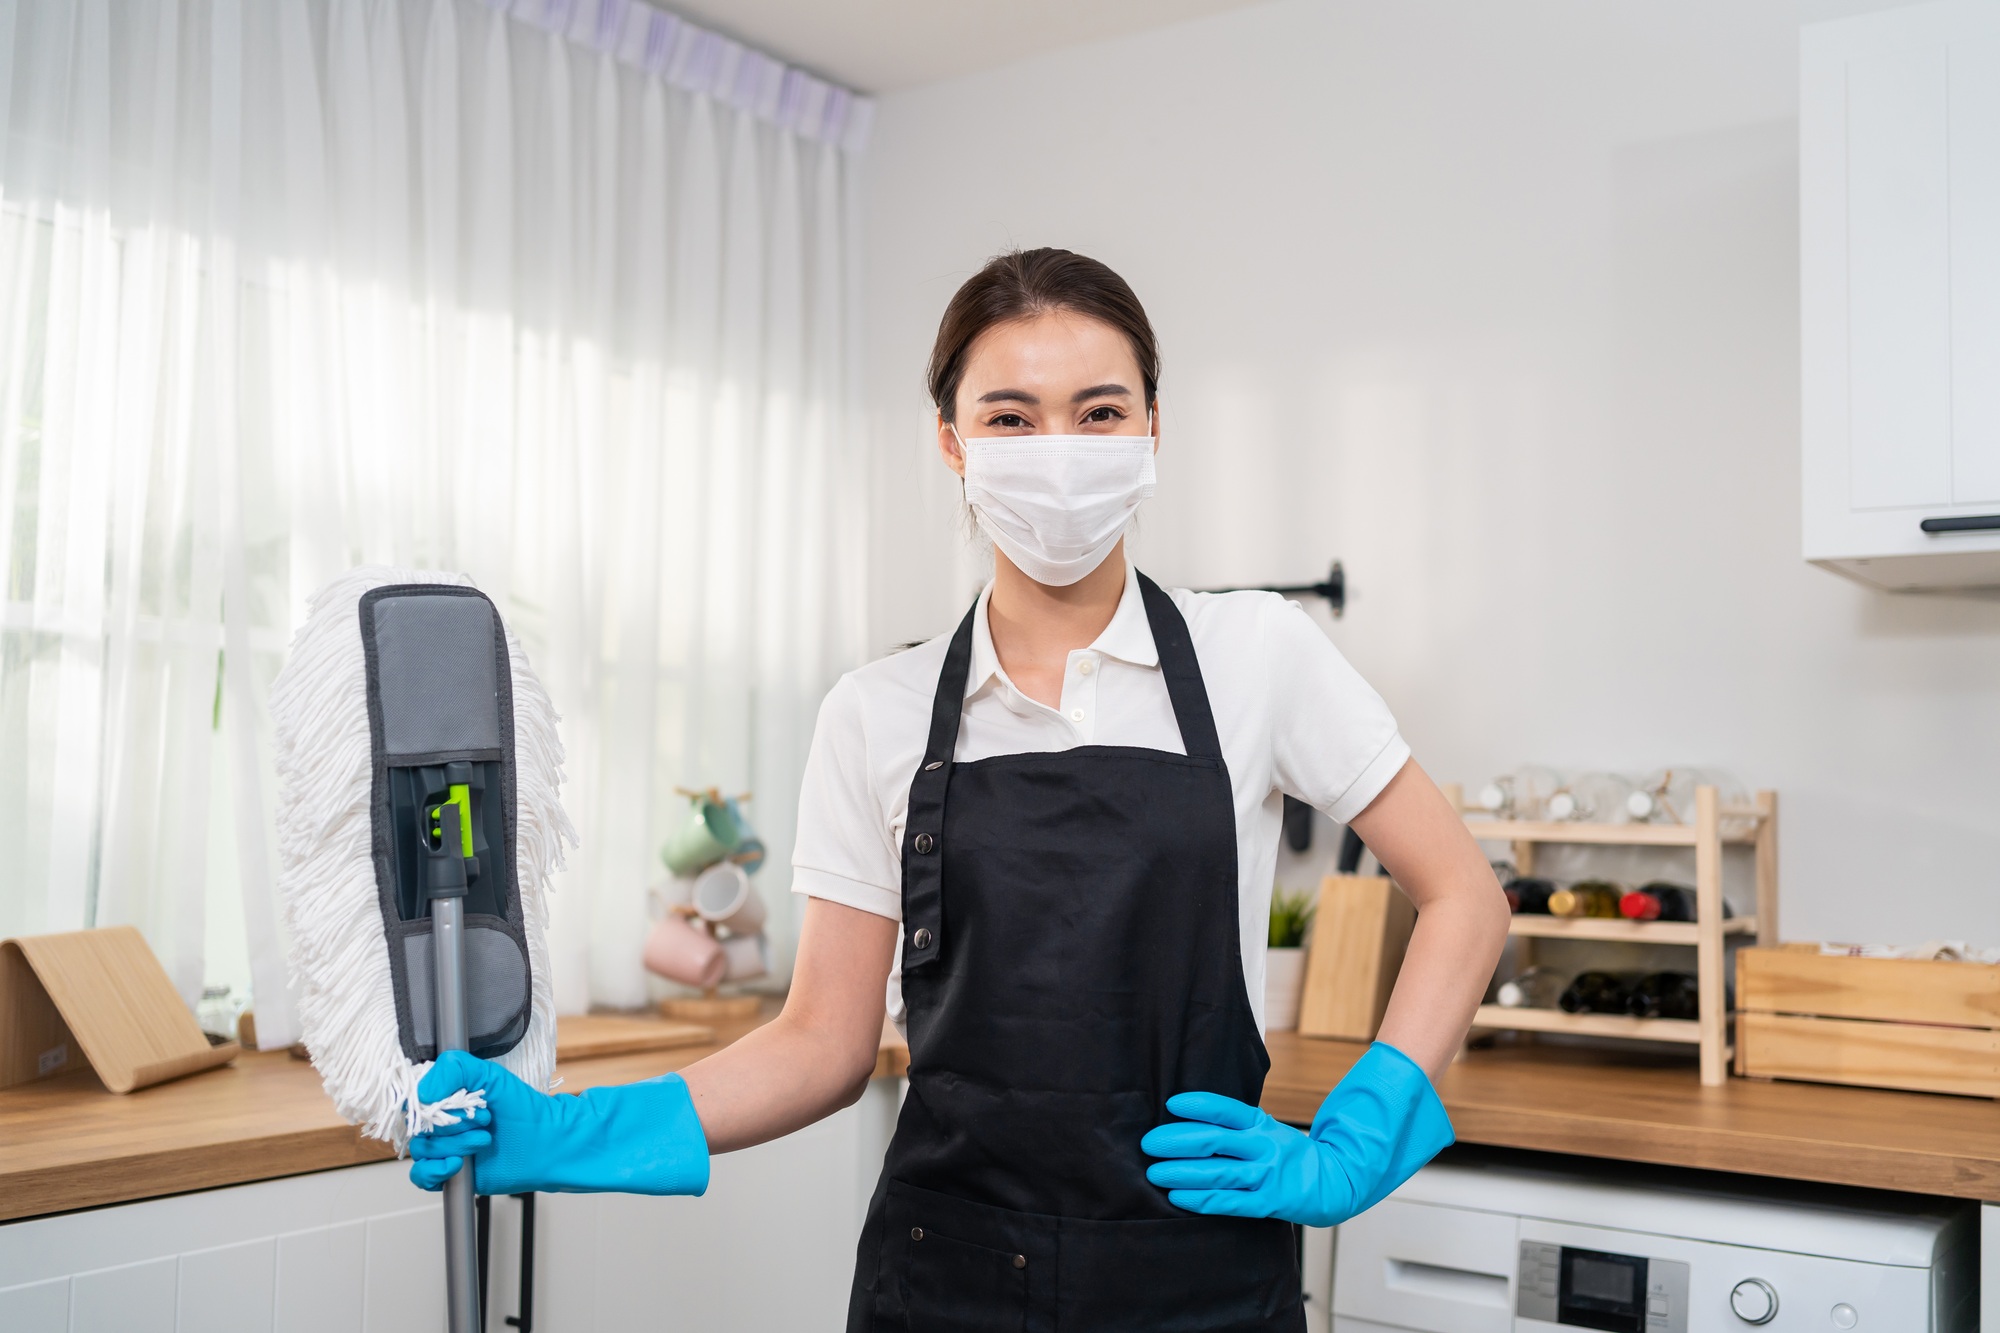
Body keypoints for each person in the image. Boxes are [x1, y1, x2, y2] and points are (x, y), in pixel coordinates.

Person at [411, 247, 1510, 1331]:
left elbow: (1462, 895)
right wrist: (569, 1131)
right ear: (952, 443)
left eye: (1097, 412)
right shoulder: (875, 712)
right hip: (946, 1282)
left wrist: (1358, 1140)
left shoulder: (1257, 653)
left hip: (1199, 1277)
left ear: (1152, 428)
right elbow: (822, 1043)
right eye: (1011, 417)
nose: (1060, 453)